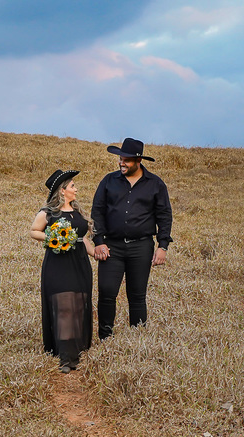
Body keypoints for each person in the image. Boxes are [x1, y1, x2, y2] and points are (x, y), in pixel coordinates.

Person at [90, 137, 173, 339]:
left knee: (137, 295)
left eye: (126, 160)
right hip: (112, 246)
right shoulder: (109, 181)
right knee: (106, 292)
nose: (121, 163)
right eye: (120, 159)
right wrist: (99, 241)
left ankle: (137, 339)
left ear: (138, 161)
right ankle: (105, 338)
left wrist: (162, 246)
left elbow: (164, 215)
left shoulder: (155, 184)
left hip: (141, 247)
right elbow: (97, 211)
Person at [30, 169, 95, 373]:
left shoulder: (77, 212)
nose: (76, 189)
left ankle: (77, 349)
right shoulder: (48, 213)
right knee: (64, 306)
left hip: (80, 263)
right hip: (58, 264)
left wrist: (96, 253)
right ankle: (66, 357)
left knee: (79, 304)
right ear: (62, 190)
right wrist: (54, 237)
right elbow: (34, 231)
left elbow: (82, 238)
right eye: (73, 186)